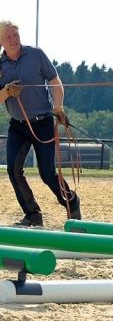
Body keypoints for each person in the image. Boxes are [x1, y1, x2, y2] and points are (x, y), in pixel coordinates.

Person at [0, 20, 81, 227]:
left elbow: (55, 82)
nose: (13, 39)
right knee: (13, 170)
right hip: (17, 126)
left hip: (43, 122)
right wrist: (7, 91)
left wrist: (59, 107)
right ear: (1, 41)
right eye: (8, 36)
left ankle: (72, 204)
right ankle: (32, 214)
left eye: (15, 34)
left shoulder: (37, 55)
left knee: (47, 173)